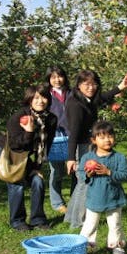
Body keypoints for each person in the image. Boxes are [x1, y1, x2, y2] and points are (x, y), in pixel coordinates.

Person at [63, 69, 127, 228]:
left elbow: (102, 97)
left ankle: (73, 217)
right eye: (86, 84)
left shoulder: (87, 99)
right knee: (85, 182)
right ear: (79, 85)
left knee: (83, 182)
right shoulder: (76, 105)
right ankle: (78, 220)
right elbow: (73, 133)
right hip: (81, 146)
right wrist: (70, 158)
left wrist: (119, 87)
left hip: (87, 144)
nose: (91, 87)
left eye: (94, 84)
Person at [0, 83, 57, 231]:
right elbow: (16, 146)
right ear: (29, 100)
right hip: (6, 152)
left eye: (44, 97)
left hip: (26, 155)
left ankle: (38, 219)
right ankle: (17, 221)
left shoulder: (51, 119)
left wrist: (37, 167)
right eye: (36, 98)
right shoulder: (19, 117)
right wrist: (29, 132)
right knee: (16, 182)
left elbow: (46, 144)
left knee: (38, 181)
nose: (40, 101)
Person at [78, 121, 127, 254]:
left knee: (115, 225)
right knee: (90, 225)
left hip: (114, 198)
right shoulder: (87, 158)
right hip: (94, 199)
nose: (107, 139)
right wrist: (88, 174)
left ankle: (116, 246)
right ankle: (83, 248)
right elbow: (81, 173)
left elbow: (124, 175)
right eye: (102, 137)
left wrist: (109, 172)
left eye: (110, 136)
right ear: (94, 140)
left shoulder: (119, 158)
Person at [46, 66, 70, 215]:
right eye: (53, 77)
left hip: (73, 136)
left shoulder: (72, 93)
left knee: (76, 171)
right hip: (55, 138)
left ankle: (75, 200)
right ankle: (57, 202)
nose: (57, 80)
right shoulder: (46, 95)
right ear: (49, 79)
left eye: (59, 76)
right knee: (57, 171)